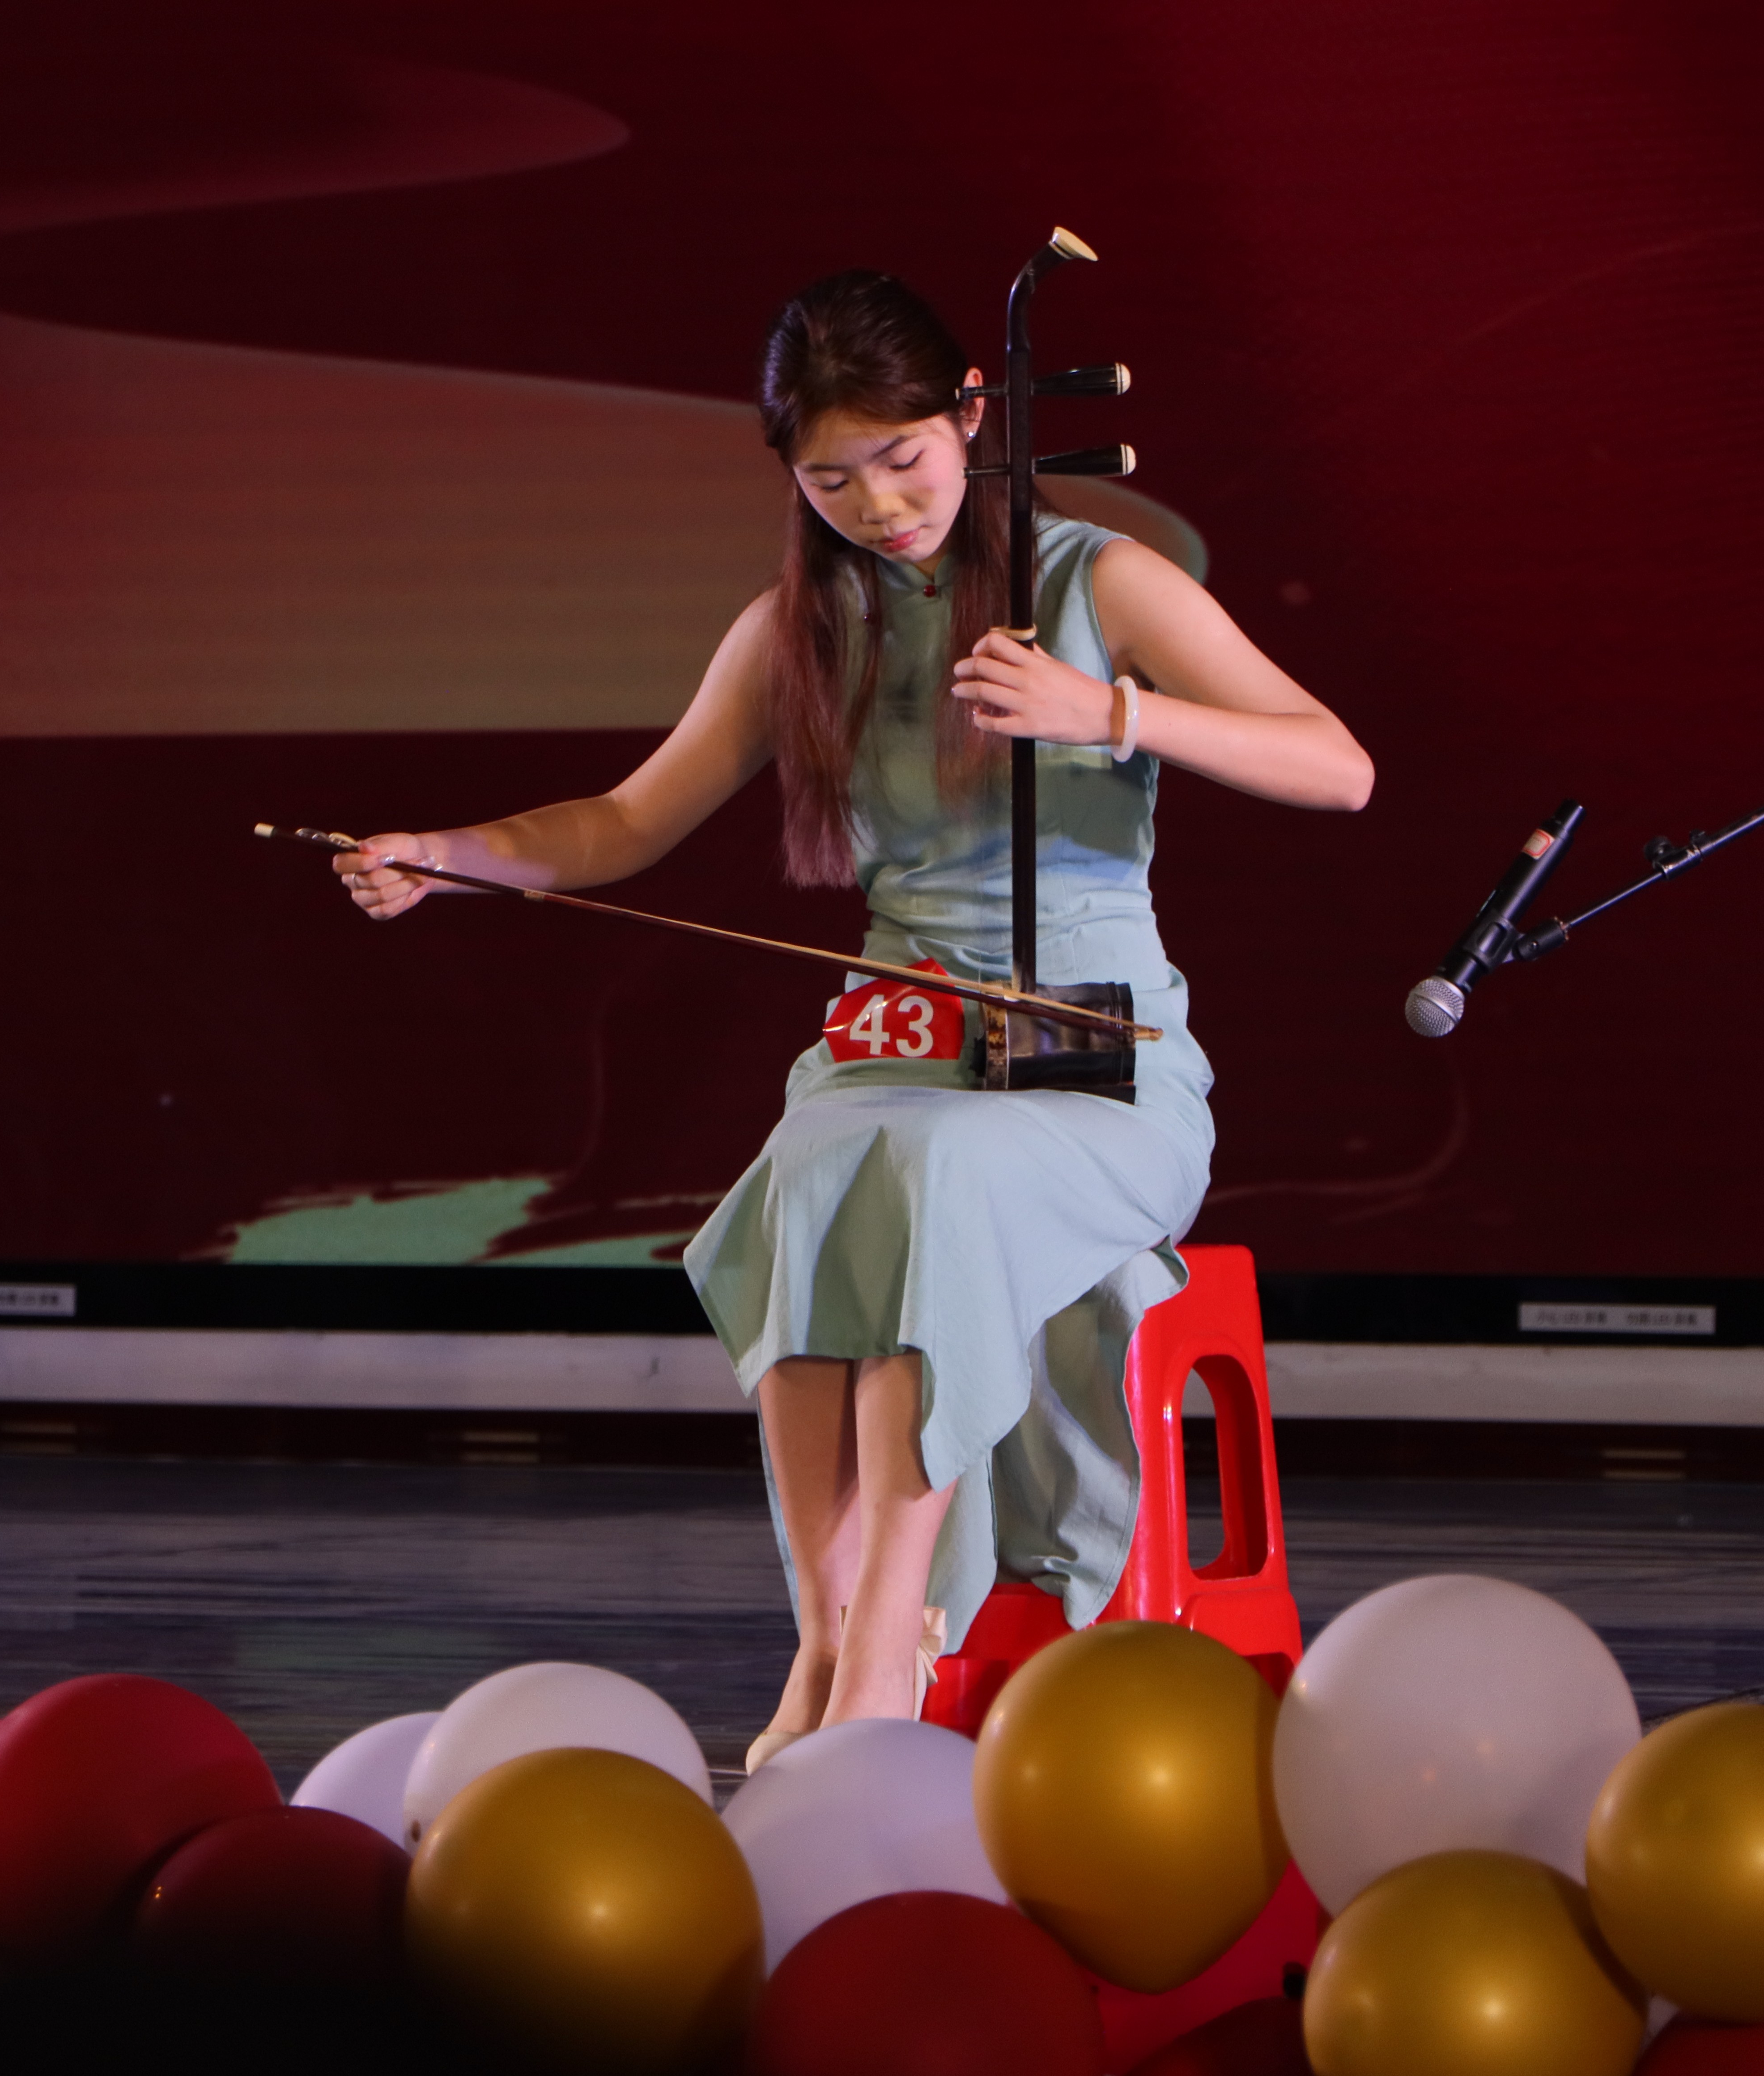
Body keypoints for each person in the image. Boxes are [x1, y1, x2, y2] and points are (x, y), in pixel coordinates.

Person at [336, 269, 1370, 1770]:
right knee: (813, 1170)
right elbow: (628, 819)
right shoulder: (798, 628)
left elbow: (1340, 767)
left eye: (903, 459)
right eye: (833, 480)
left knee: (936, 1172)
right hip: (905, 1039)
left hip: (1096, 1053)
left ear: (972, 416)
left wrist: (1111, 714)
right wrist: (453, 855)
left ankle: (890, 1643)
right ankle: (824, 1638)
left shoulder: (1100, 583)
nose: (879, 507)